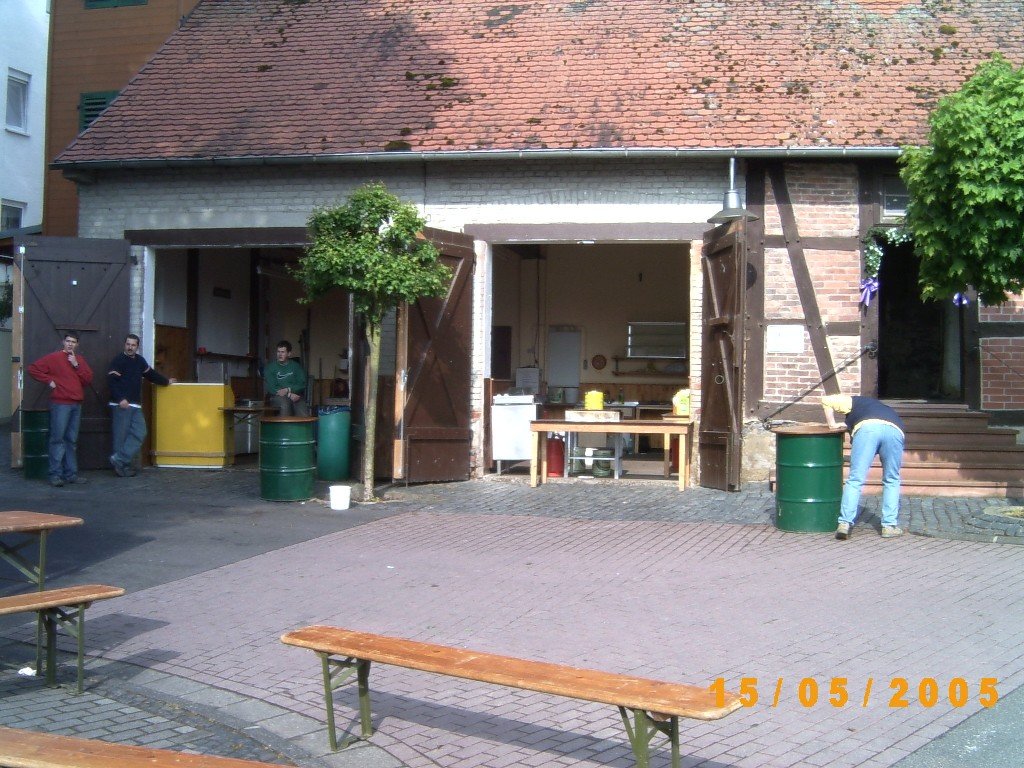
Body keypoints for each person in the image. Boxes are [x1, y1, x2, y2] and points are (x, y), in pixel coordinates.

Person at [822, 394, 905, 540]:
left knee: (855, 479)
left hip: (868, 430)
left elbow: (826, 400)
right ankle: (889, 526)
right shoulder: (882, 408)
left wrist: (832, 424)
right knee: (892, 479)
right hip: (895, 430)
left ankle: (844, 524)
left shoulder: (853, 401)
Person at [27, 331, 94, 487]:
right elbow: (33, 369)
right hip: (60, 403)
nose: (70, 344)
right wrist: (48, 380)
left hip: (76, 404)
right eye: (68, 341)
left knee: (71, 440)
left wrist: (76, 365)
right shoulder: (54, 358)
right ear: (63, 342)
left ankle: (71, 474)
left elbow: (87, 380)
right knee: (57, 439)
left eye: (73, 342)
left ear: (77, 344)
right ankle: (55, 474)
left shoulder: (79, 360)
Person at [108, 334, 176, 477]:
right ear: (124, 345)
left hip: (135, 405)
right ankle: (122, 468)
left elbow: (150, 374)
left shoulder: (140, 361)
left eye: (133, 345)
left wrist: (166, 381)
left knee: (140, 432)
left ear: (137, 347)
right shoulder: (118, 360)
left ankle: (119, 459)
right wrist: (120, 398)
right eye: (128, 344)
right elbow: (112, 382)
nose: (130, 347)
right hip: (121, 405)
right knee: (121, 437)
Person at [264, 340, 309, 416]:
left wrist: (288, 390)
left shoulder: (296, 366)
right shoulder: (270, 367)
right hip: (276, 396)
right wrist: (289, 394)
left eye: (283, 352)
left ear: (289, 354)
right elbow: (272, 387)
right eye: (278, 352)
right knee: (285, 405)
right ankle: (284, 424)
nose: (280, 354)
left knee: (304, 413)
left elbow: (302, 384)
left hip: (295, 395)